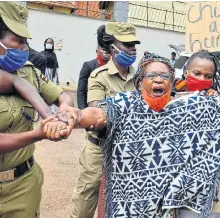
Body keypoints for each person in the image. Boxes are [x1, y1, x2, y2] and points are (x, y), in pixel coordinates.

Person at [54, 52, 220, 218]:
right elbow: (99, 113)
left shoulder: (184, 108)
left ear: (172, 81)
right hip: (129, 201)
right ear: (140, 81)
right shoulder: (126, 103)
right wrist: (77, 116)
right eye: (152, 76)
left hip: (166, 202)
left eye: (165, 77)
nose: (158, 80)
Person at [0, 2, 74, 217]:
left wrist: (63, 112)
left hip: (23, 187)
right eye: (18, 41)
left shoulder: (27, 71)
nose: (25, 49)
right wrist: (38, 134)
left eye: (26, 42)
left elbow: (61, 96)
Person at [70, 22, 140, 218]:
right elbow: (96, 109)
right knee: (86, 197)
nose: (132, 49)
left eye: (134, 44)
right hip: (99, 149)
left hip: (128, 151)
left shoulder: (141, 79)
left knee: (122, 200)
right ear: (113, 47)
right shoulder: (99, 76)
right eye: (127, 44)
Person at [77, 25, 111, 110]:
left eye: (108, 49)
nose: (106, 52)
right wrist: (83, 111)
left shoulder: (116, 67)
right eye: (103, 49)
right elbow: (81, 91)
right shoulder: (88, 66)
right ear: (97, 51)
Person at [41, 37, 60, 113]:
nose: (49, 44)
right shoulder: (41, 53)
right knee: (45, 90)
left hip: (52, 74)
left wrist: (55, 76)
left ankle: (53, 109)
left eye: (50, 43)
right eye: (47, 42)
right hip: (44, 73)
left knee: (53, 90)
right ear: (45, 44)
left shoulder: (53, 54)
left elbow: (55, 65)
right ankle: (44, 109)